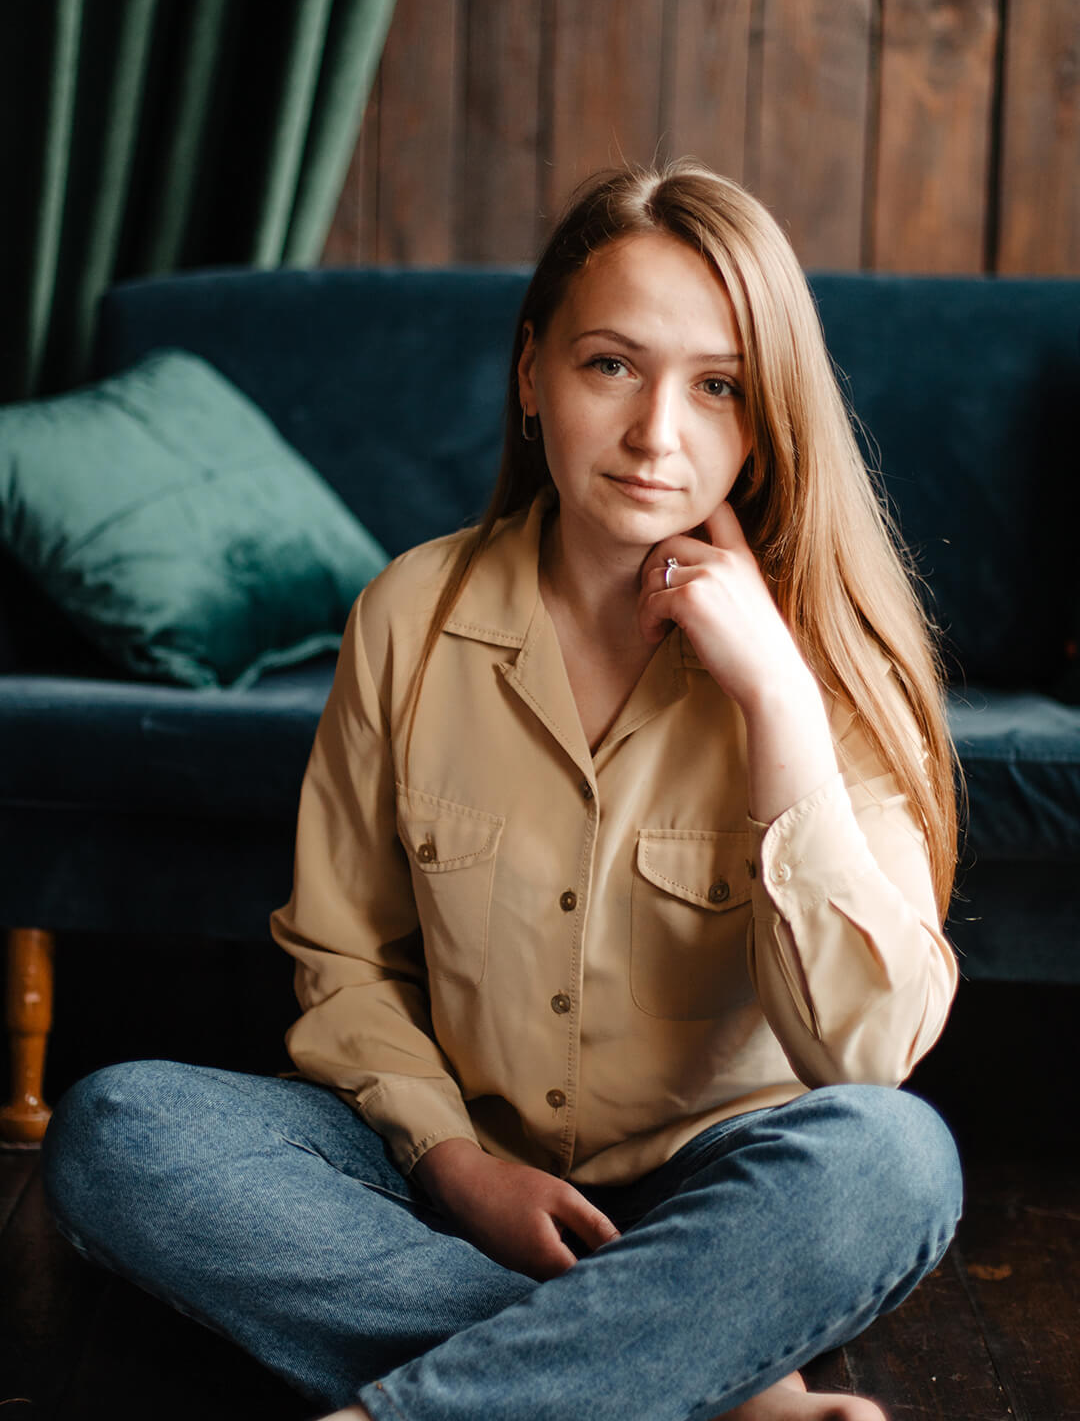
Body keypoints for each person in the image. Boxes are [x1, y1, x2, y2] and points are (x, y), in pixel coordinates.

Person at [41, 161, 963, 1421]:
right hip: (445, 1180)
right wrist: (457, 1162)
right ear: (533, 374)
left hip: (723, 1195)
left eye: (718, 386)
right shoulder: (410, 616)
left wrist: (779, 704)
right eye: (610, 366)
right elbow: (345, 956)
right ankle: (717, 1379)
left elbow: (865, 1057)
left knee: (895, 1165)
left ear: (767, 417)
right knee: (118, 1131)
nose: (657, 435)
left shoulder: (833, 665)